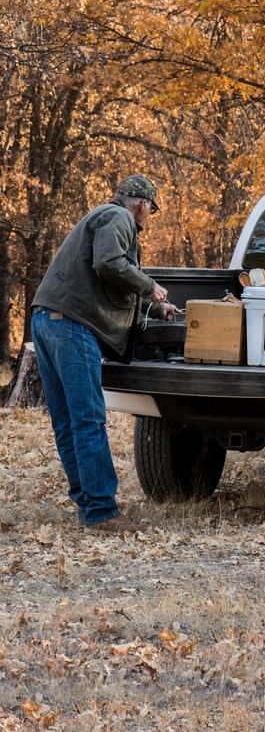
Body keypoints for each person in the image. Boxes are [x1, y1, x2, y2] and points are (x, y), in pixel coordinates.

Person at [31, 174, 178, 534]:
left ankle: (88, 504)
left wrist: (157, 309)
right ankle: (101, 512)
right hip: (72, 326)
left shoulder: (100, 218)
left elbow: (110, 282)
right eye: (151, 210)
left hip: (47, 320)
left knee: (68, 422)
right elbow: (110, 264)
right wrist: (151, 287)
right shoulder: (118, 218)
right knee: (88, 419)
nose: (148, 217)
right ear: (142, 204)